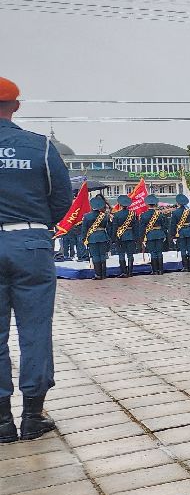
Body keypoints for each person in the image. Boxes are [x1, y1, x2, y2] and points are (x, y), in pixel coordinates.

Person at [0, 77, 70, 442]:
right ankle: (32, 416)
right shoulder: (40, 147)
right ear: (15, 107)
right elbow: (62, 197)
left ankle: (0, 423)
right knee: (35, 331)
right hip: (30, 243)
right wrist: (38, 227)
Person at [81, 193, 111, 279]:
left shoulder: (87, 216)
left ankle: (98, 274)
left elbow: (84, 229)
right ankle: (104, 274)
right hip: (103, 236)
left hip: (92, 238)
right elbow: (108, 228)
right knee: (102, 255)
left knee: (95, 256)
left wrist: (84, 239)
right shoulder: (105, 216)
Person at [111, 196, 141, 277]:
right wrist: (137, 238)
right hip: (131, 235)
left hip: (120, 236)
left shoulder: (116, 215)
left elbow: (114, 228)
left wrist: (113, 239)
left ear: (120, 204)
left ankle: (124, 272)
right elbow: (136, 227)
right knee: (130, 255)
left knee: (121, 254)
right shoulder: (133, 214)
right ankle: (130, 272)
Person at [171, 194, 190, 271]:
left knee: (183, 249)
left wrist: (173, 235)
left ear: (178, 203)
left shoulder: (175, 212)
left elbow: (173, 225)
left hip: (181, 232)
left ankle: (185, 267)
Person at [142, 195, 169, 275]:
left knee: (153, 253)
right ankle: (161, 270)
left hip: (150, 235)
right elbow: (165, 226)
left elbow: (142, 228)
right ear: (155, 204)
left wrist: (143, 237)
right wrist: (164, 234)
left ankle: (155, 271)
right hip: (160, 234)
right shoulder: (160, 214)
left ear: (147, 204)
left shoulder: (144, 215)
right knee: (159, 252)